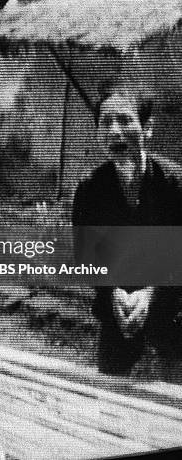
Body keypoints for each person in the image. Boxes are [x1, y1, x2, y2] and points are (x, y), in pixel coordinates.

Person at [72, 82, 182, 377]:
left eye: (124, 119)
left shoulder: (174, 185)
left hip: (173, 327)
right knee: (112, 414)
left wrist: (151, 293)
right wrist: (111, 292)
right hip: (116, 327)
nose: (114, 131)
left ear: (147, 128)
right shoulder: (90, 190)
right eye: (105, 122)